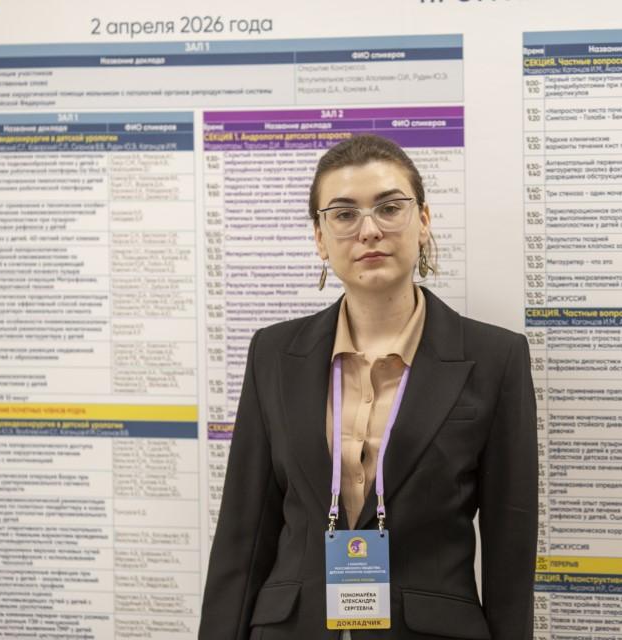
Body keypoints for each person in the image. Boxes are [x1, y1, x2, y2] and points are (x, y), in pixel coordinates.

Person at [199, 134, 537, 640]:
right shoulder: (273, 353)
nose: (369, 230)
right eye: (344, 214)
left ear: (423, 221)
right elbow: (242, 533)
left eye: (390, 208)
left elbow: (511, 545)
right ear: (320, 238)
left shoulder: (495, 359)